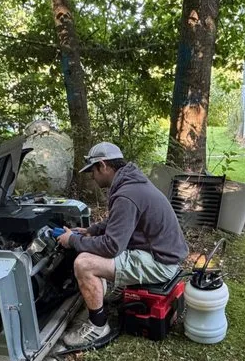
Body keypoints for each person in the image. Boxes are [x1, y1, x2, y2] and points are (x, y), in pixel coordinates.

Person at [58, 142, 189, 349]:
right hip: (162, 253)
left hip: (160, 263)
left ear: (103, 165)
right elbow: (120, 221)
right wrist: (93, 230)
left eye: (92, 170)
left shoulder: (127, 194)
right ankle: (104, 298)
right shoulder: (132, 183)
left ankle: (98, 327)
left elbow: (111, 247)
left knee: (84, 263)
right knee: (92, 252)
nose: (92, 176)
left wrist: (73, 240)